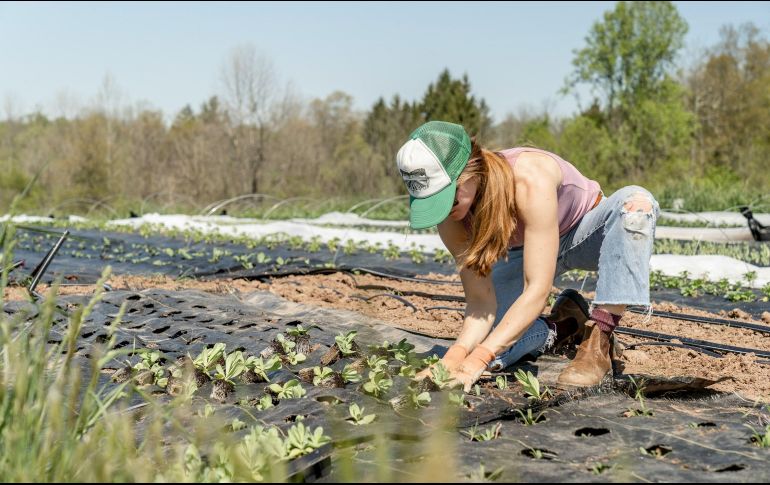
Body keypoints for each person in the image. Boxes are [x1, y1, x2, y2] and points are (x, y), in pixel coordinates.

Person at [399, 121, 659, 390]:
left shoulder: (527, 178)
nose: (445, 211)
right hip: (526, 250)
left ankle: (599, 340)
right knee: (495, 345)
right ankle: (563, 325)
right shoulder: (451, 219)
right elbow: (480, 303)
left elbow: (537, 289)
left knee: (636, 205)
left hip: (584, 233)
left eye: (448, 199)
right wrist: (455, 358)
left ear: (471, 171)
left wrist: (477, 359)